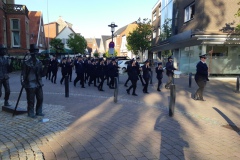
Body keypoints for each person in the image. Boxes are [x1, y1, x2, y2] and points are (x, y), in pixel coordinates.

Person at [21, 44, 48, 118]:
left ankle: (39, 111)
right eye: (34, 51)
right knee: (31, 100)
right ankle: (30, 113)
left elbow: (42, 74)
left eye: (36, 51)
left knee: (40, 98)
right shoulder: (26, 63)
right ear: (31, 52)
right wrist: (23, 82)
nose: (35, 53)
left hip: (38, 83)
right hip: (30, 84)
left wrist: (46, 66)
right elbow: (22, 74)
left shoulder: (39, 62)